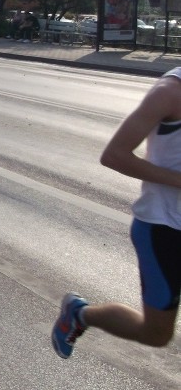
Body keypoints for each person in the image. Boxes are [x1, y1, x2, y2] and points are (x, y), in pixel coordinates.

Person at [52, 67, 181, 359]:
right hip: (165, 228)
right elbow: (114, 155)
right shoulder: (170, 92)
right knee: (157, 334)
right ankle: (81, 315)